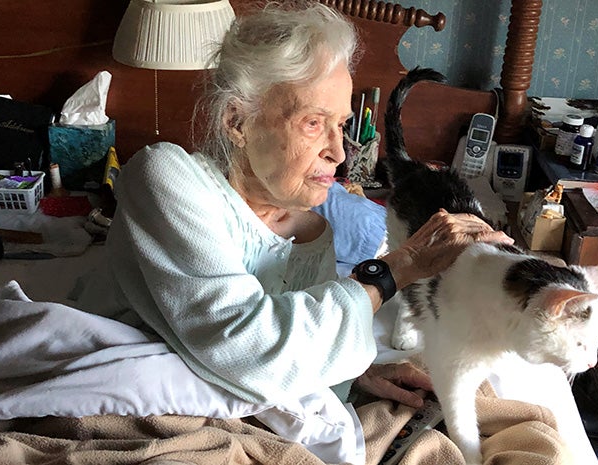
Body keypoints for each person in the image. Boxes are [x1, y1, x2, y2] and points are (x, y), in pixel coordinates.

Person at [77, 1, 512, 461]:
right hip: (119, 388)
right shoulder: (164, 175)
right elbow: (247, 349)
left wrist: (356, 374)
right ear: (237, 121)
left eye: (341, 125)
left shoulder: (309, 232)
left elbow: (292, 355)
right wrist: (397, 268)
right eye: (312, 123)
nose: (339, 154)